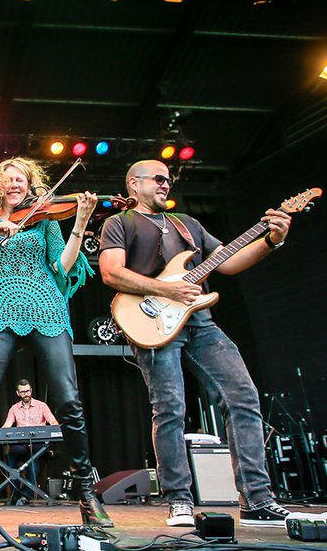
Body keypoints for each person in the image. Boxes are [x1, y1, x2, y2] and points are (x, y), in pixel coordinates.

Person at [99, 159, 293, 528]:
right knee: (170, 407)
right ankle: (178, 500)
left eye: (168, 179)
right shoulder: (119, 223)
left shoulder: (188, 225)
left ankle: (257, 499)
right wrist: (166, 288)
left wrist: (271, 240)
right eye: (157, 178)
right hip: (151, 319)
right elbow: (111, 272)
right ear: (133, 184)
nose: (165, 184)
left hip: (200, 320)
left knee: (244, 396)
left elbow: (230, 263)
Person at [0, 157, 112, 530]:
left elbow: (64, 267)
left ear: (30, 184)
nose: (14, 184)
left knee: (69, 401)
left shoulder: (46, 221)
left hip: (46, 309)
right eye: (7, 179)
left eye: (20, 179)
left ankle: (86, 494)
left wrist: (80, 224)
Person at [1, 379, 58, 506]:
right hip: (21, 444)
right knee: (12, 456)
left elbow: (53, 421)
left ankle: (26, 495)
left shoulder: (41, 406)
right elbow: (7, 425)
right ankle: (15, 494)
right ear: (18, 393)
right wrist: (1, 433)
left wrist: (52, 428)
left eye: (27, 391)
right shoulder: (14, 408)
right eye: (22, 392)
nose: (26, 394)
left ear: (31, 391)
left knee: (34, 459)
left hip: (37, 443)